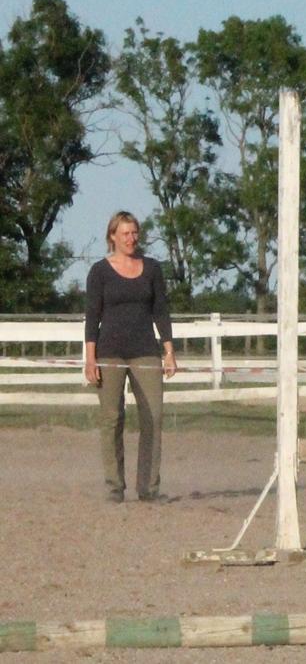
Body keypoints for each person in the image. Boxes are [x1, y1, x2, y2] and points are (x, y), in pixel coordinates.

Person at [84, 211, 177, 503]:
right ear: (113, 236)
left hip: (145, 350)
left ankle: (148, 488)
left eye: (134, 232)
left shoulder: (151, 268)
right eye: (125, 233)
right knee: (112, 418)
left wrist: (169, 350)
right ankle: (114, 486)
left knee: (154, 416)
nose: (131, 238)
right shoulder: (99, 271)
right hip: (109, 351)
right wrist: (90, 357)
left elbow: (160, 310)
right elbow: (92, 316)